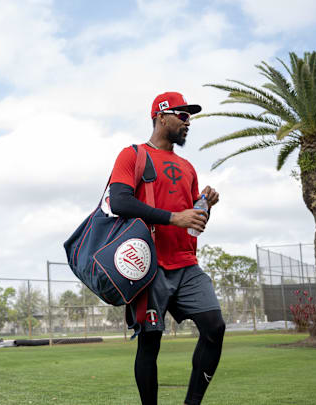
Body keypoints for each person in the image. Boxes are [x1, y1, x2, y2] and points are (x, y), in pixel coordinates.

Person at [107, 92, 225, 405]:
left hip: (186, 264)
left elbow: (193, 223)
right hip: (150, 266)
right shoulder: (133, 154)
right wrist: (174, 217)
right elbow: (118, 202)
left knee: (215, 328)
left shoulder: (188, 168)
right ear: (162, 116)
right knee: (150, 344)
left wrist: (204, 206)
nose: (189, 123)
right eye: (183, 116)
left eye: (190, 117)